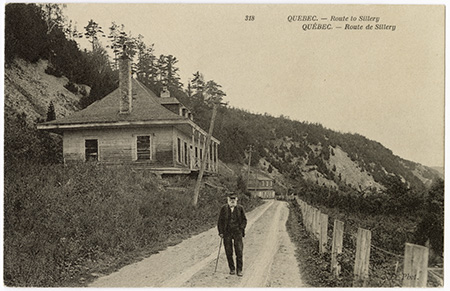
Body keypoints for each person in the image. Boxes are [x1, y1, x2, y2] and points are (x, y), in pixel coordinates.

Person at [217, 192, 247, 276]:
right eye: (231, 199)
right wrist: (221, 232)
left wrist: (241, 229)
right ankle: (232, 269)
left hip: (237, 232)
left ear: (236, 199)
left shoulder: (240, 208)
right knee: (228, 251)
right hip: (227, 233)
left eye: (234, 199)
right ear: (228, 199)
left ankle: (239, 270)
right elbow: (220, 221)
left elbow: (244, 220)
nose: (232, 201)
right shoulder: (224, 208)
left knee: (239, 251)